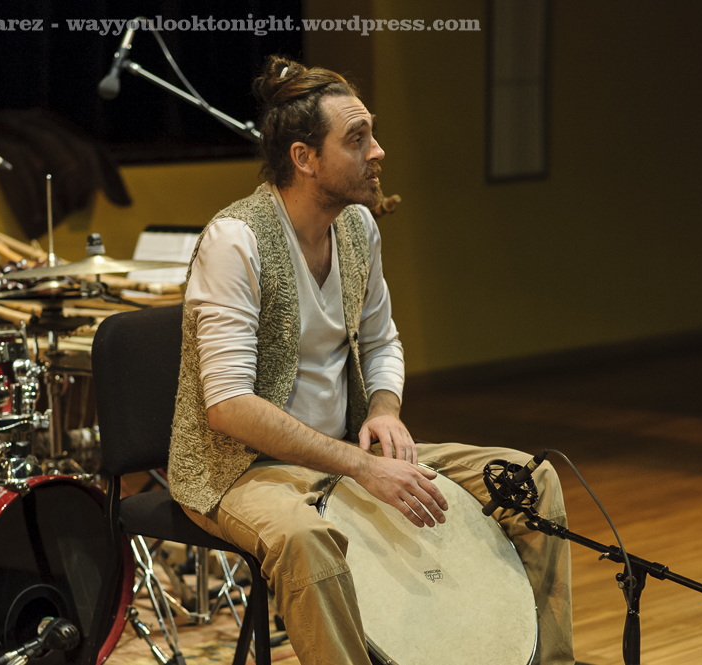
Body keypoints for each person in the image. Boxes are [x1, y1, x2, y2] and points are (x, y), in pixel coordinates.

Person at [167, 55, 574, 665]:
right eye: (357, 139)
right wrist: (361, 466)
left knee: (528, 482)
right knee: (307, 539)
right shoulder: (236, 241)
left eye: (372, 135)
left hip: (343, 453)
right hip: (241, 470)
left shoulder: (357, 226)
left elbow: (382, 341)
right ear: (305, 158)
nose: (378, 152)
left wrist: (384, 410)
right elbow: (229, 408)